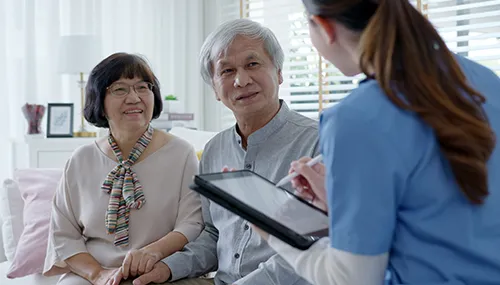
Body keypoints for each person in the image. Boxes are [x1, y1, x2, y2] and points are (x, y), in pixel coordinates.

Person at [252, 0, 500, 284]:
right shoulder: (485, 80)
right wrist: (344, 206)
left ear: (324, 27)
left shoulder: (355, 118)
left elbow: (352, 279)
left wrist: (274, 232)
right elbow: (450, 212)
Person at [133, 19, 320, 285]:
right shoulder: (214, 150)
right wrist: (168, 268)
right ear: (215, 90)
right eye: (227, 71)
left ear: (279, 72)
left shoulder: (318, 142)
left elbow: (315, 245)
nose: (241, 80)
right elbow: (213, 234)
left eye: (252, 64)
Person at [43, 52, 204, 285]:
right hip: (93, 273)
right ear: (99, 102)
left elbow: (192, 223)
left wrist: (153, 253)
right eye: (120, 89)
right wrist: (98, 274)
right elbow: (63, 234)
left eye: (142, 87)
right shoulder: (81, 159)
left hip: (160, 270)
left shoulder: (181, 153)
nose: (134, 98)